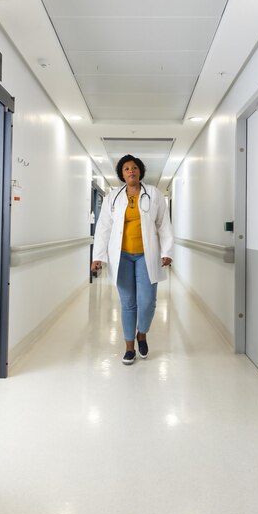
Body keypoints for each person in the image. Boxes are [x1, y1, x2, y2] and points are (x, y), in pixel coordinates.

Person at [91, 154, 174, 365]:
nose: (131, 171)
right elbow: (103, 228)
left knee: (147, 303)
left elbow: (164, 224)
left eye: (134, 167)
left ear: (140, 172)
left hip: (147, 256)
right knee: (128, 304)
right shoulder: (112, 198)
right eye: (126, 168)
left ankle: (142, 334)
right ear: (121, 173)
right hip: (122, 257)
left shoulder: (153, 194)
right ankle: (129, 347)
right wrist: (98, 256)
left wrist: (167, 251)